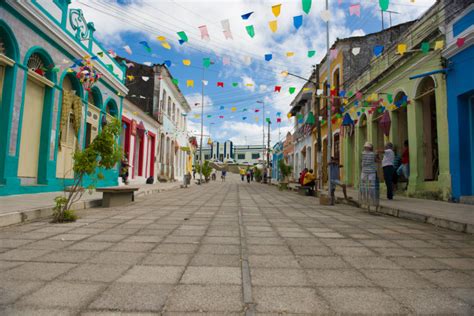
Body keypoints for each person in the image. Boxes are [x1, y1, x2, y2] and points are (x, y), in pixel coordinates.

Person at [359, 142, 380, 213]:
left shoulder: (362, 153)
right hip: (371, 173)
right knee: (372, 188)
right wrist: (377, 155)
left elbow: (361, 163)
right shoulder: (373, 154)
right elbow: (378, 161)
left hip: (364, 172)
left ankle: (365, 201)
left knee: (364, 187)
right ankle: (373, 202)